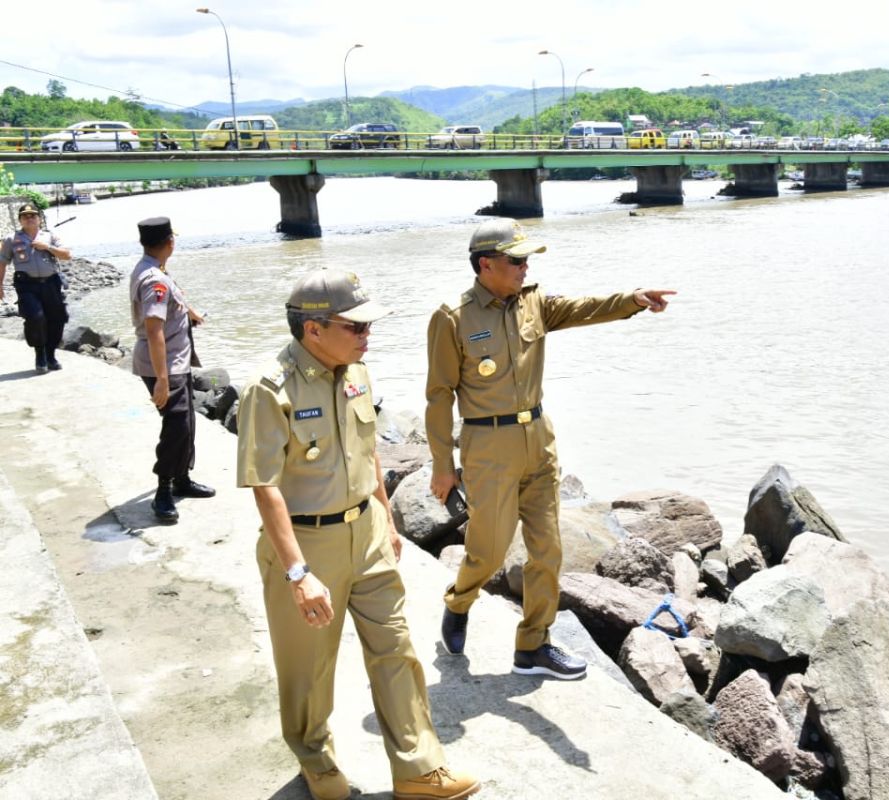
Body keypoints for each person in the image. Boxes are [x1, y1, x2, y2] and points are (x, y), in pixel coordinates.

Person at [237, 270, 478, 800]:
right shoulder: (268, 388)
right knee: (308, 667)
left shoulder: (357, 373)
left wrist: (388, 522)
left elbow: (367, 455)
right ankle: (315, 757)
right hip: (307, 546)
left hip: (367, 535)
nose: (368, 335)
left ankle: (418, 767)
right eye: (356, 326)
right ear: (314, 330)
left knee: (396, 649)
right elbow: (265, 487)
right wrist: (298, 574)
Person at [426, 218, 675, 679]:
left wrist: (634, 300)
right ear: (486, 265)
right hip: (488, 446)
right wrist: (444, 466)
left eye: (526, 260)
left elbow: (582, 308)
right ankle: (459, 601)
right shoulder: (453, 318)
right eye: (516, 260)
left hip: (539, 443)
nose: (525, 268)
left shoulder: (533, 303)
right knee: (490, 552)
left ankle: (532, 646)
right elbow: (439, 396)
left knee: (547, 551)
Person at [129, 217, 215, 523]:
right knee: (177, 425)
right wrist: (162, 381)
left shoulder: (155, 269)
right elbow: (154, 331)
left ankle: (182, 479)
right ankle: (163, 489)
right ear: (169, 242)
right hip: (165, 363)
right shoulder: (154, 280)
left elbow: (174, 300)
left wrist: (191, 314)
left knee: (187, 422)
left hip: (177, 359)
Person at [0, 202, 72, 373]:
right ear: (20, 220)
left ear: (39, 219)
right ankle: (40, 354)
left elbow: (67, 255)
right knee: (35, 317)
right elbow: (2, 263)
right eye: (25, 216)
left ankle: (51, 354)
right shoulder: (11, 239)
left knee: (57, 319)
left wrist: (47, 247)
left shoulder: (50, 235)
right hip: (27, 285)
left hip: (51, 283)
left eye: (33, 215)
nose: (29, 218)